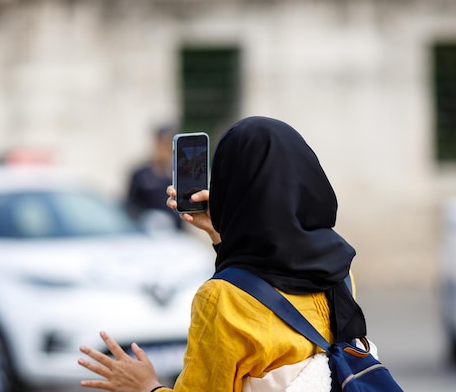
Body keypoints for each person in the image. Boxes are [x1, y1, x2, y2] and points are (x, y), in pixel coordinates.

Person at [78, 116, 367, 392]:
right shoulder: (339, 271)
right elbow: (269, 269)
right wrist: (221, 235)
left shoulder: (222, 299)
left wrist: (146, 386)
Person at [126, 124, 182, 230]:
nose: (163, 150)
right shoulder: (141, 174)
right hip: (146, 232)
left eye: (167, 145)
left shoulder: (179, 175)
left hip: (176, 234)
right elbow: (130, 204)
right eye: (160, 144)